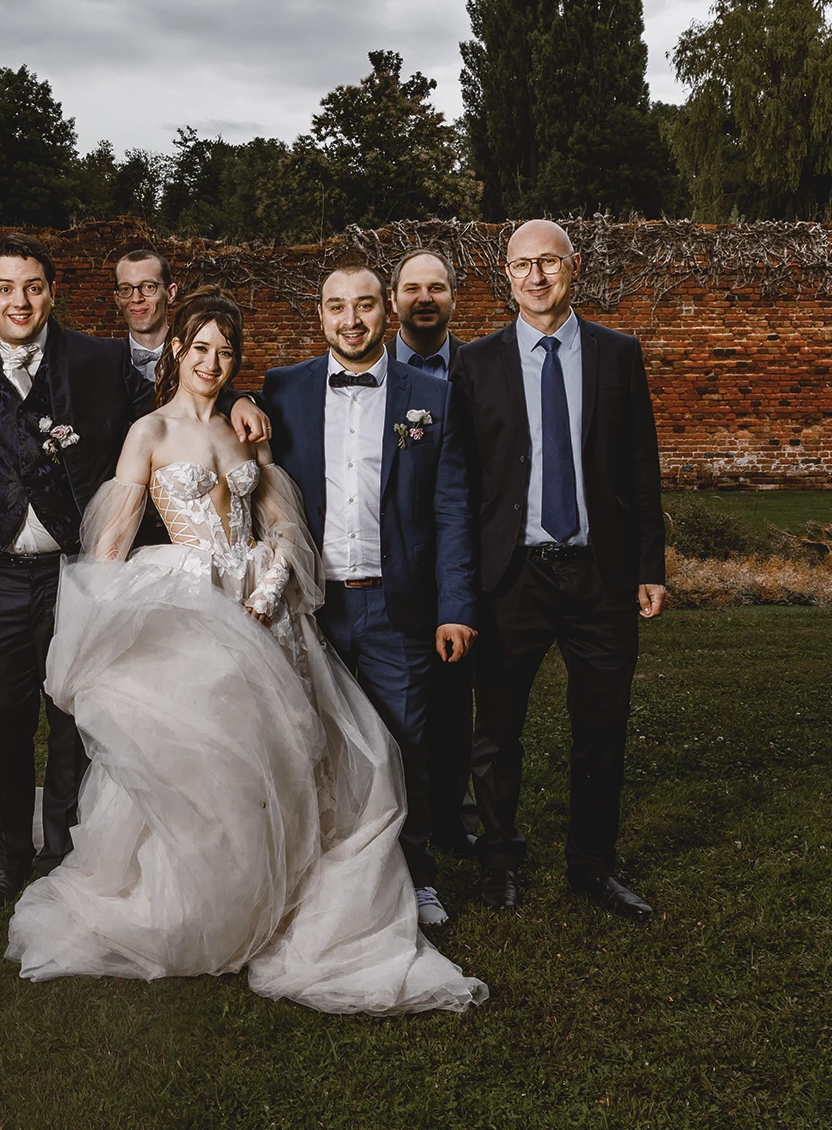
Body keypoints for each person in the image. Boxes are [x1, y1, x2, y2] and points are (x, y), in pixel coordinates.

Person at [6, 291, 486, 1015]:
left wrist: (274, 576)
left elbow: (281, 515)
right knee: (211, 760)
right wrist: (102, 616)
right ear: (176, 351)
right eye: (199, 349)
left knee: (293, 750)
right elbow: (113, 539)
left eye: (225, 352)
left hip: (263, 604)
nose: (211, 362)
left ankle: (286, 890)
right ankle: (212, 901)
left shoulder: (245, 427)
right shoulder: (150, 432)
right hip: (194, 601)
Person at [0, 233, 268, 913]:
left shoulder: (95, 358)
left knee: (77, 713)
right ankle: (7, 856)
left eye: (33, 287)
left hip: (74, 569)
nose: (19, 300)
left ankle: (66, 850)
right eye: (5, 288)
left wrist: (234, 391)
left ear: (53, 293)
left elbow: (177, 388)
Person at [449, 219, 667, 920]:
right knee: (497, 730)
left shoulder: (616, 353)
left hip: (598, 572)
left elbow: (640, 465)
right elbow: (460, 480)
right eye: (522, 265)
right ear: (505, 276)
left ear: (574, 269)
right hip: (512, 575)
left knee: (602, 727)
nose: (535, 277)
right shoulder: (474, 364)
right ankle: (499, 861)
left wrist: (648, 566)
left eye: (549, 263)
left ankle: (592, 866)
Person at [259, 264, 477, 927]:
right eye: (335, 307)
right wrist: (241, 400)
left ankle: (414, 879)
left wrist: (455, 608)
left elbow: (452, 512)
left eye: (363, 305)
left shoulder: (430, 398)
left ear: (386, 309)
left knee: (400, 744)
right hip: (311, 604)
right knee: (313, 743)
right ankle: (319, 876)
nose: (350, 319)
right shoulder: (283, 389)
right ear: (319, 316)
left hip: (395, 604)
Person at [389, 248, 482, 858]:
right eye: (412, 287)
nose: (425, 298)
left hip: (460, 557)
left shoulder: (479, 370)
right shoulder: (371, 369)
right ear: (394, 298)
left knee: (454, 706)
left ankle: (451, 821)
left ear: (454, 297)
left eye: (438, 288)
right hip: (388, 568)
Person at [113, 247, 178, 384]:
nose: (136, 299)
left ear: (170, 293)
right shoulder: (106, 363)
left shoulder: (197, 358)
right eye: (126, 289)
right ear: (117, 299)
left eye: (148, 287)